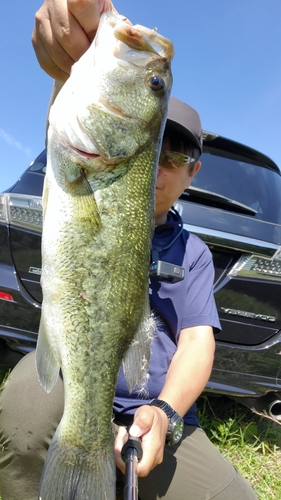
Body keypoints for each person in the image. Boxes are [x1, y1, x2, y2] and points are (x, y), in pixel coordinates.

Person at [0, 1, 258, 499]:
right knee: (23, 422)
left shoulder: (196, 253)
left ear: (193, 172)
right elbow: (69, 126)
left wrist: (163, 413)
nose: (161, 165)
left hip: (156, 404)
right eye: (156, 148)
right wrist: (70, 60)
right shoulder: (80, 157)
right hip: (76, 381)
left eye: (177, 156)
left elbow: (197, 342)